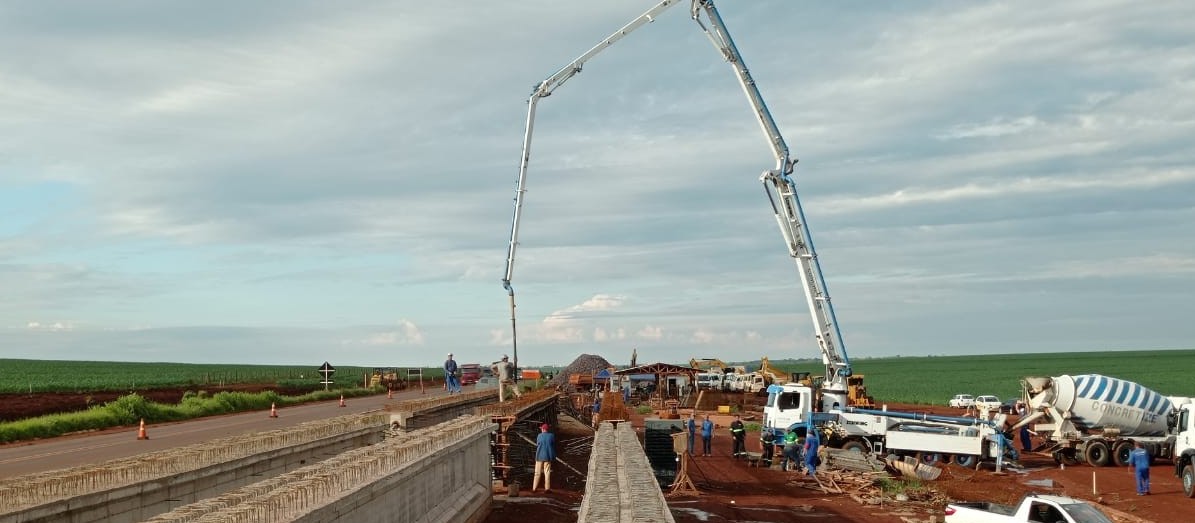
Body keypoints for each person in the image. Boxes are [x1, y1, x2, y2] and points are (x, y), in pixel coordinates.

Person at [531, 423, 556, 492]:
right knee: (547, 472)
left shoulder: (539, 436)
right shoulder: (551, 436)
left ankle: (534, 488)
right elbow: (553, 445)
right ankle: (547, 488)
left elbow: (538, 443)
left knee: (537, 473)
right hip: (548, 456)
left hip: (539, 456)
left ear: (543, 429)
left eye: (541, 429)